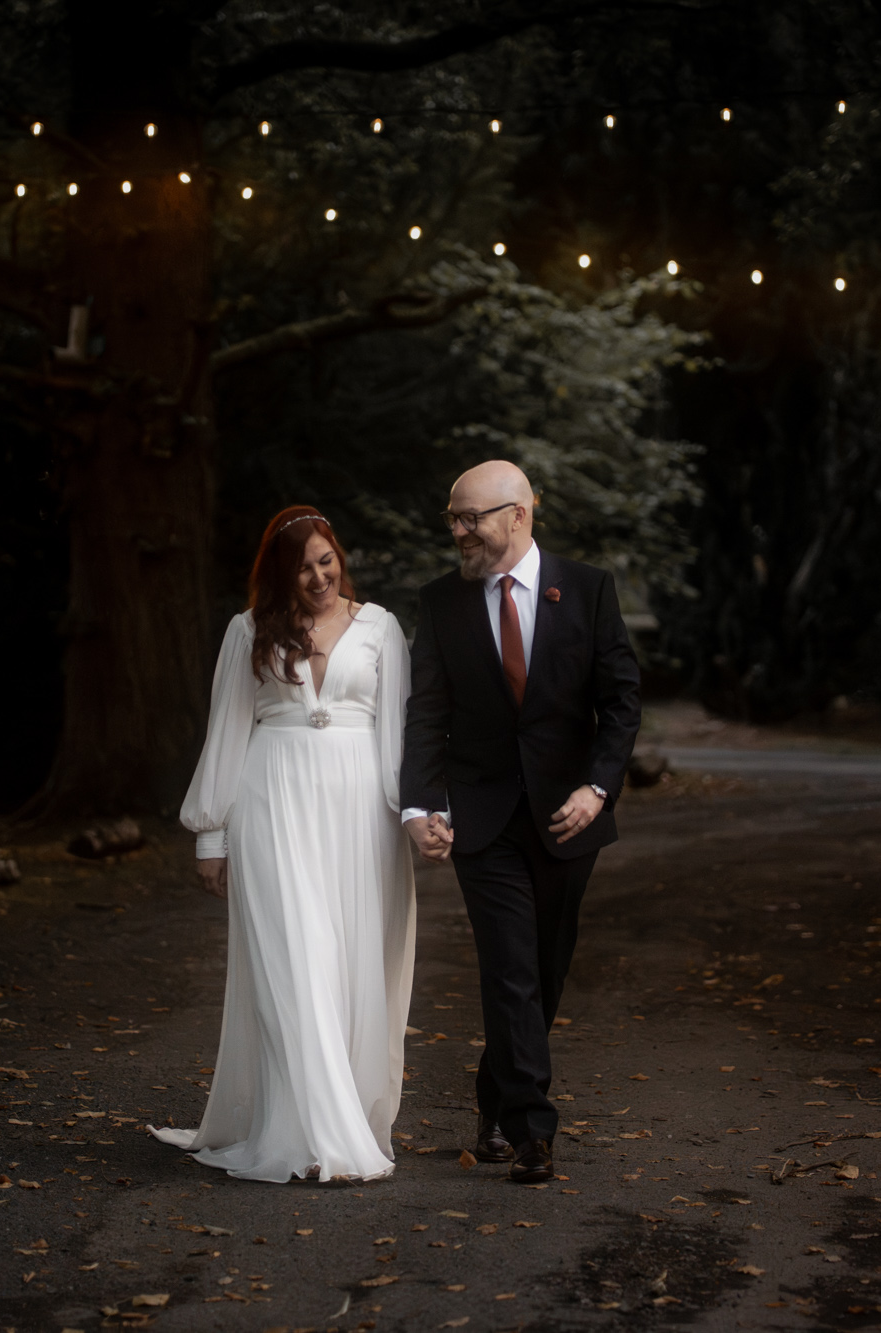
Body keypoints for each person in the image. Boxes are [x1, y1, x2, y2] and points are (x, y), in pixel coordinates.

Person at [154, 506, 418, 1182]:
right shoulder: (247, 632)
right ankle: (310, 1136)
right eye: (303, 567)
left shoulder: (381, 628)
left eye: (326, 560)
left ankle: (346, 1115)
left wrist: (413, 813)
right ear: (280, 573)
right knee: (294, 962)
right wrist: (210, 833)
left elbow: (399, 734)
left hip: (362, 816)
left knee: (352, 964)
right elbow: (227, 732)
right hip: (273, 805)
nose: (319, 576)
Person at [401, 460, 641, 1184]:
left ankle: (494, 1094)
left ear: (519, 515)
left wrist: (598, 788)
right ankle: (533, 1129)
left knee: (544, 969)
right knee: (510, 968)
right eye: (453, 517)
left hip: (569, 819)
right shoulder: (442, 602)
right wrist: (421, 803)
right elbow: (427, 713)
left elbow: (621, 700)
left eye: (471, 517)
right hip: (484, 817)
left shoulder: (589, 589)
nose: (459, 530)